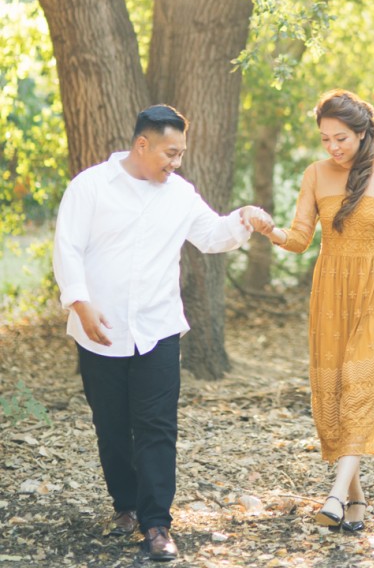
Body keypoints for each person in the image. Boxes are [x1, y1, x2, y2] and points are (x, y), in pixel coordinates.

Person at [52, 104, 272, 562]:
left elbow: (212, 235)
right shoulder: (90, 187)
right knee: (112, 429)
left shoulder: (180, 194)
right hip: (100, 329)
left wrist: (245, 217)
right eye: (170, 153)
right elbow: (67, 248)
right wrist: (79, 301)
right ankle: (125, 506)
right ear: (142, 145)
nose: (176, 162)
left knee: (156, 428)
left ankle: (157, 524)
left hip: (158, 328)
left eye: (182, 154)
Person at [251, 89, 374, 533]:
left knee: (361, 384)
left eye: (341, 138)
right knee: (336, 393)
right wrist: (270, 230)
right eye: (325, 139)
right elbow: (301, 237)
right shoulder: (316, 174)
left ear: (362, 133)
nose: (333, 147)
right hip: (330, 291)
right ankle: (357, 501)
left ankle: (333, 495)